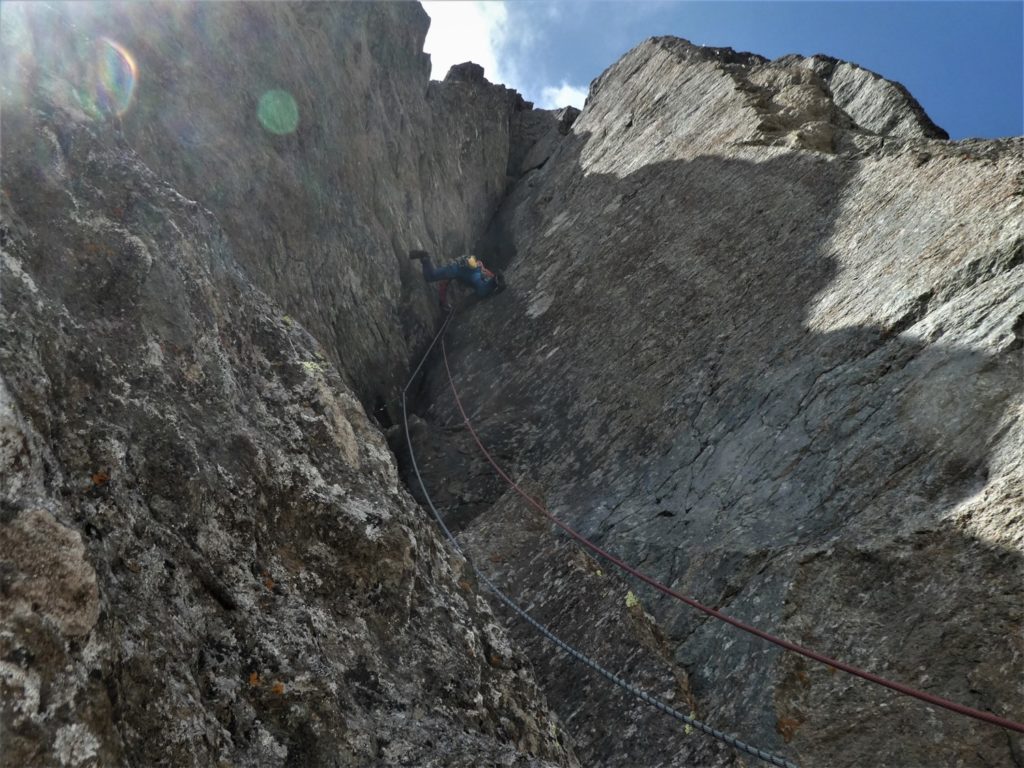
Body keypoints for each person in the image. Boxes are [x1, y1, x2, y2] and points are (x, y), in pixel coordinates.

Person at [409, 249, 503, 305]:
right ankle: (495, 281)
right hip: (471, 272)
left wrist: (443, 301)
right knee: (482, 290)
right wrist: (443, 302)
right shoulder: (480, 274)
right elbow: (444, 284)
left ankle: (425, 257)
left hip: (458, 265)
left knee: (431, 276)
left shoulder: (479, 268)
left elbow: (444, 283)